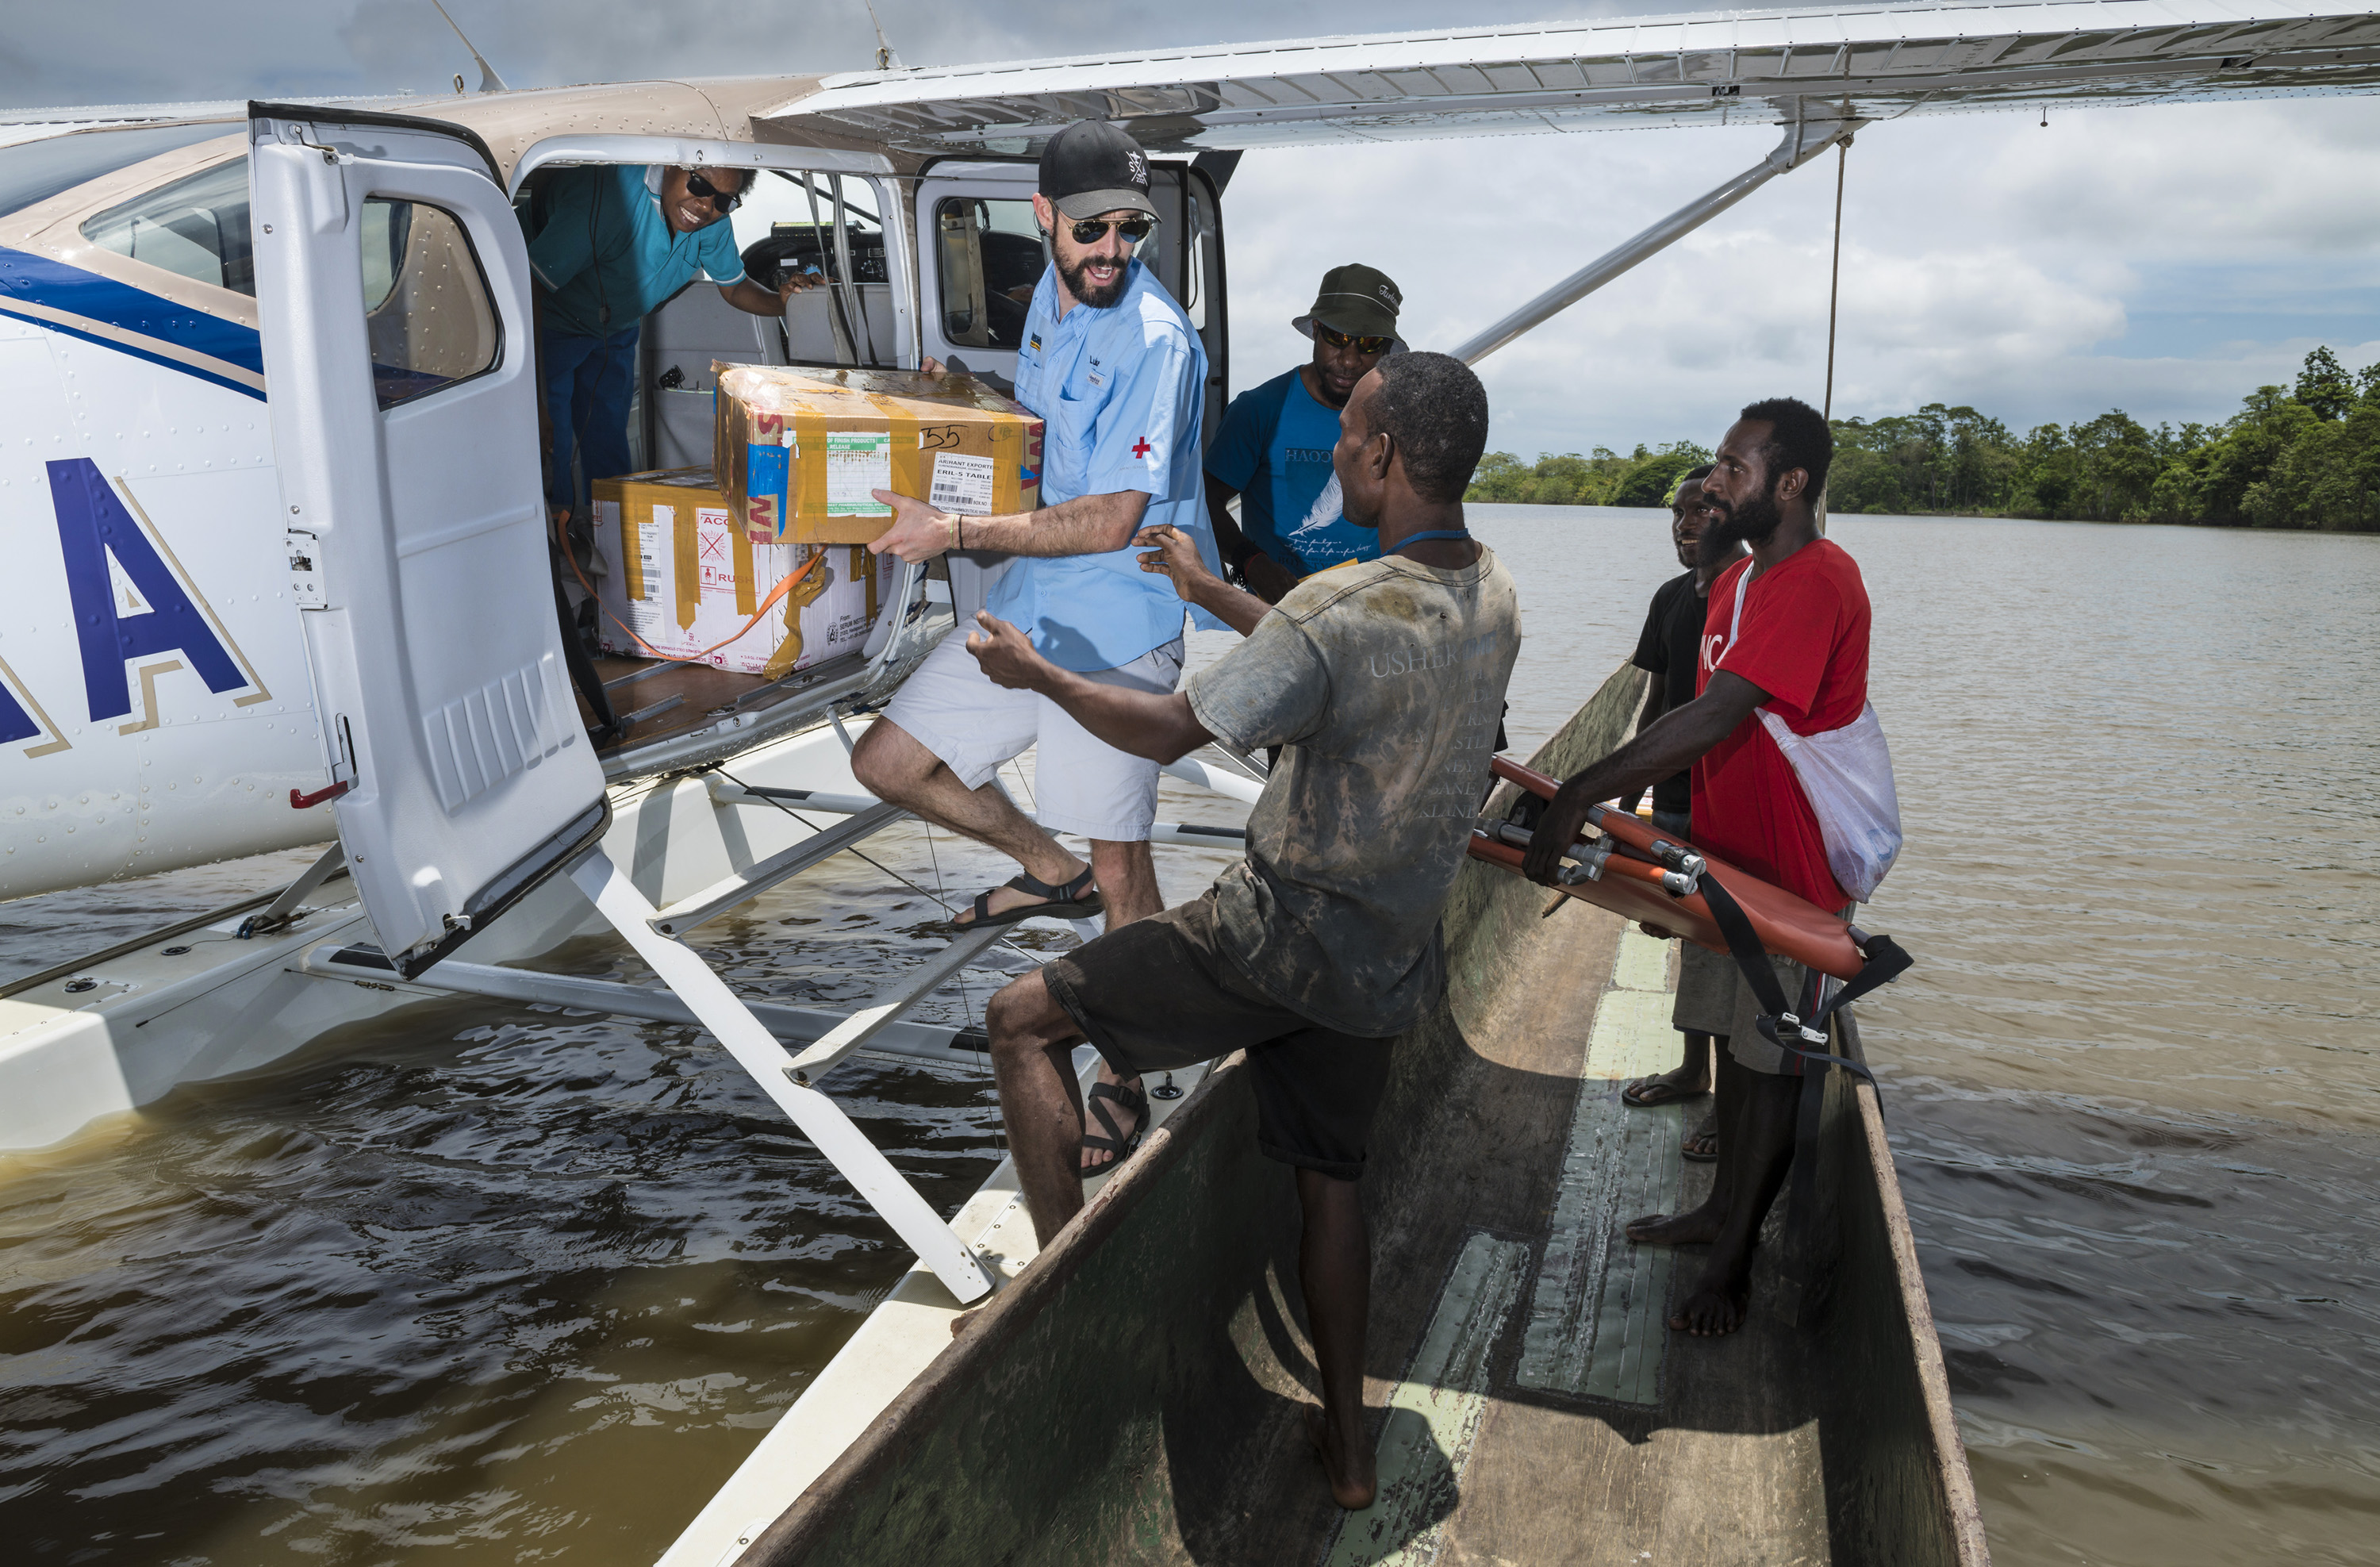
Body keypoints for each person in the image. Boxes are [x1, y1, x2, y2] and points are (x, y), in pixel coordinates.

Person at [964, 351, 1519, 1510]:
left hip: (1272, 941)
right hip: (1381, 962)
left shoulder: (1344, 604)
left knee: (1019, 1018)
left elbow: (1171, 730)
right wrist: (1215, 595)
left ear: (1389, 454)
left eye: (1353, 432)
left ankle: (1063, 1305)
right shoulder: (1492, 593)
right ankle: (1354, 1452)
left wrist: (1036, 672)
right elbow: (1341, 651)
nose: (1338, 452)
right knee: (1332, 1187)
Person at [854, 118, 1222, 1173]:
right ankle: (1038, 862)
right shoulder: (1049, 309)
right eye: (1093, 228)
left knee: (1124, 867)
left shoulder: (1156, 335)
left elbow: (1110, 514)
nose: (1113, 249)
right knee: (885, 763)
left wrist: (954, 530)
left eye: (1132, 229)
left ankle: (1126, 1069)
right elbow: (1039, 439)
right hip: (1028, 601)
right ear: (1045, 219)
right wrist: (961, 405)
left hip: (1116, 625)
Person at [1522, 397, 1869, 1339]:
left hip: (1789, 878)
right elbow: (1678, 713)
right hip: (1724, 862)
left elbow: (1716, 715)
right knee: (1734, 1051)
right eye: (1717, 464)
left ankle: (1736, 1261)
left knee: (1769, 1063)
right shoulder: (1737, 583)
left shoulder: (1818, 579)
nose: (1716, 482)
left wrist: (1576, 793)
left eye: (1735, 467)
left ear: (1791, 483)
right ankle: (1719, 1210)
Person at [523, 164, 807, 522]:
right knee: (553, 444)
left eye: (722, 200)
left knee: (608, 445)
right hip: (547, 322)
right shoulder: (610, 201)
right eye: (699, 184)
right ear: (672, 166)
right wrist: (537, 401)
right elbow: (528, 282)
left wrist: (782, 302)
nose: (705, 206)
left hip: (616, 331)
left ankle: (614, 540)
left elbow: (734, 286)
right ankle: (558, 548)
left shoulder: (713, 223)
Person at [1616, 467, 1741, 1166]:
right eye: (1676, 513)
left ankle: (1733, 1100)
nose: (1683, 524)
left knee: (1726, 944)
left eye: (1699, 511)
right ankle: (1695, 1068)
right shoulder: (1670, 598)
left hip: (1728, 797)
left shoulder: (1752, 595)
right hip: (1674, 797)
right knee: (1691, 938)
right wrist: (1632, 797)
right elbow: (1656, 705)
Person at [1203, 264, 1404, 602]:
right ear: (1316, 330)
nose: (1350, 360)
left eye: (1369, 344)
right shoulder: (1259, 410)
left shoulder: (1398, 418)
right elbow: (1206, 502)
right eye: (1338, 338)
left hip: (1372, 608)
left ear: (1385, 350)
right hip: (1279, 609)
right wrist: (1251, 563)